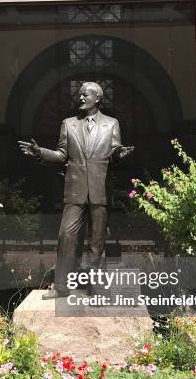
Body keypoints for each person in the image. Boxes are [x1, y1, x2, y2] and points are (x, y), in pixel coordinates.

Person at [19, 82, 134, 298]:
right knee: (66, 236)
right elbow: (62, 155)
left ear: (98, 98)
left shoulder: (111, 124)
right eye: (79, 95)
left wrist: (120, 154)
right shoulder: (68, 124)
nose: (80, 98)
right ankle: (61, 287)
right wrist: (39, 153)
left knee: (97, 242)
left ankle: (97, 288)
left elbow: (115, 152)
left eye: (85, 95)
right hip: (75, 190)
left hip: (99, 190)